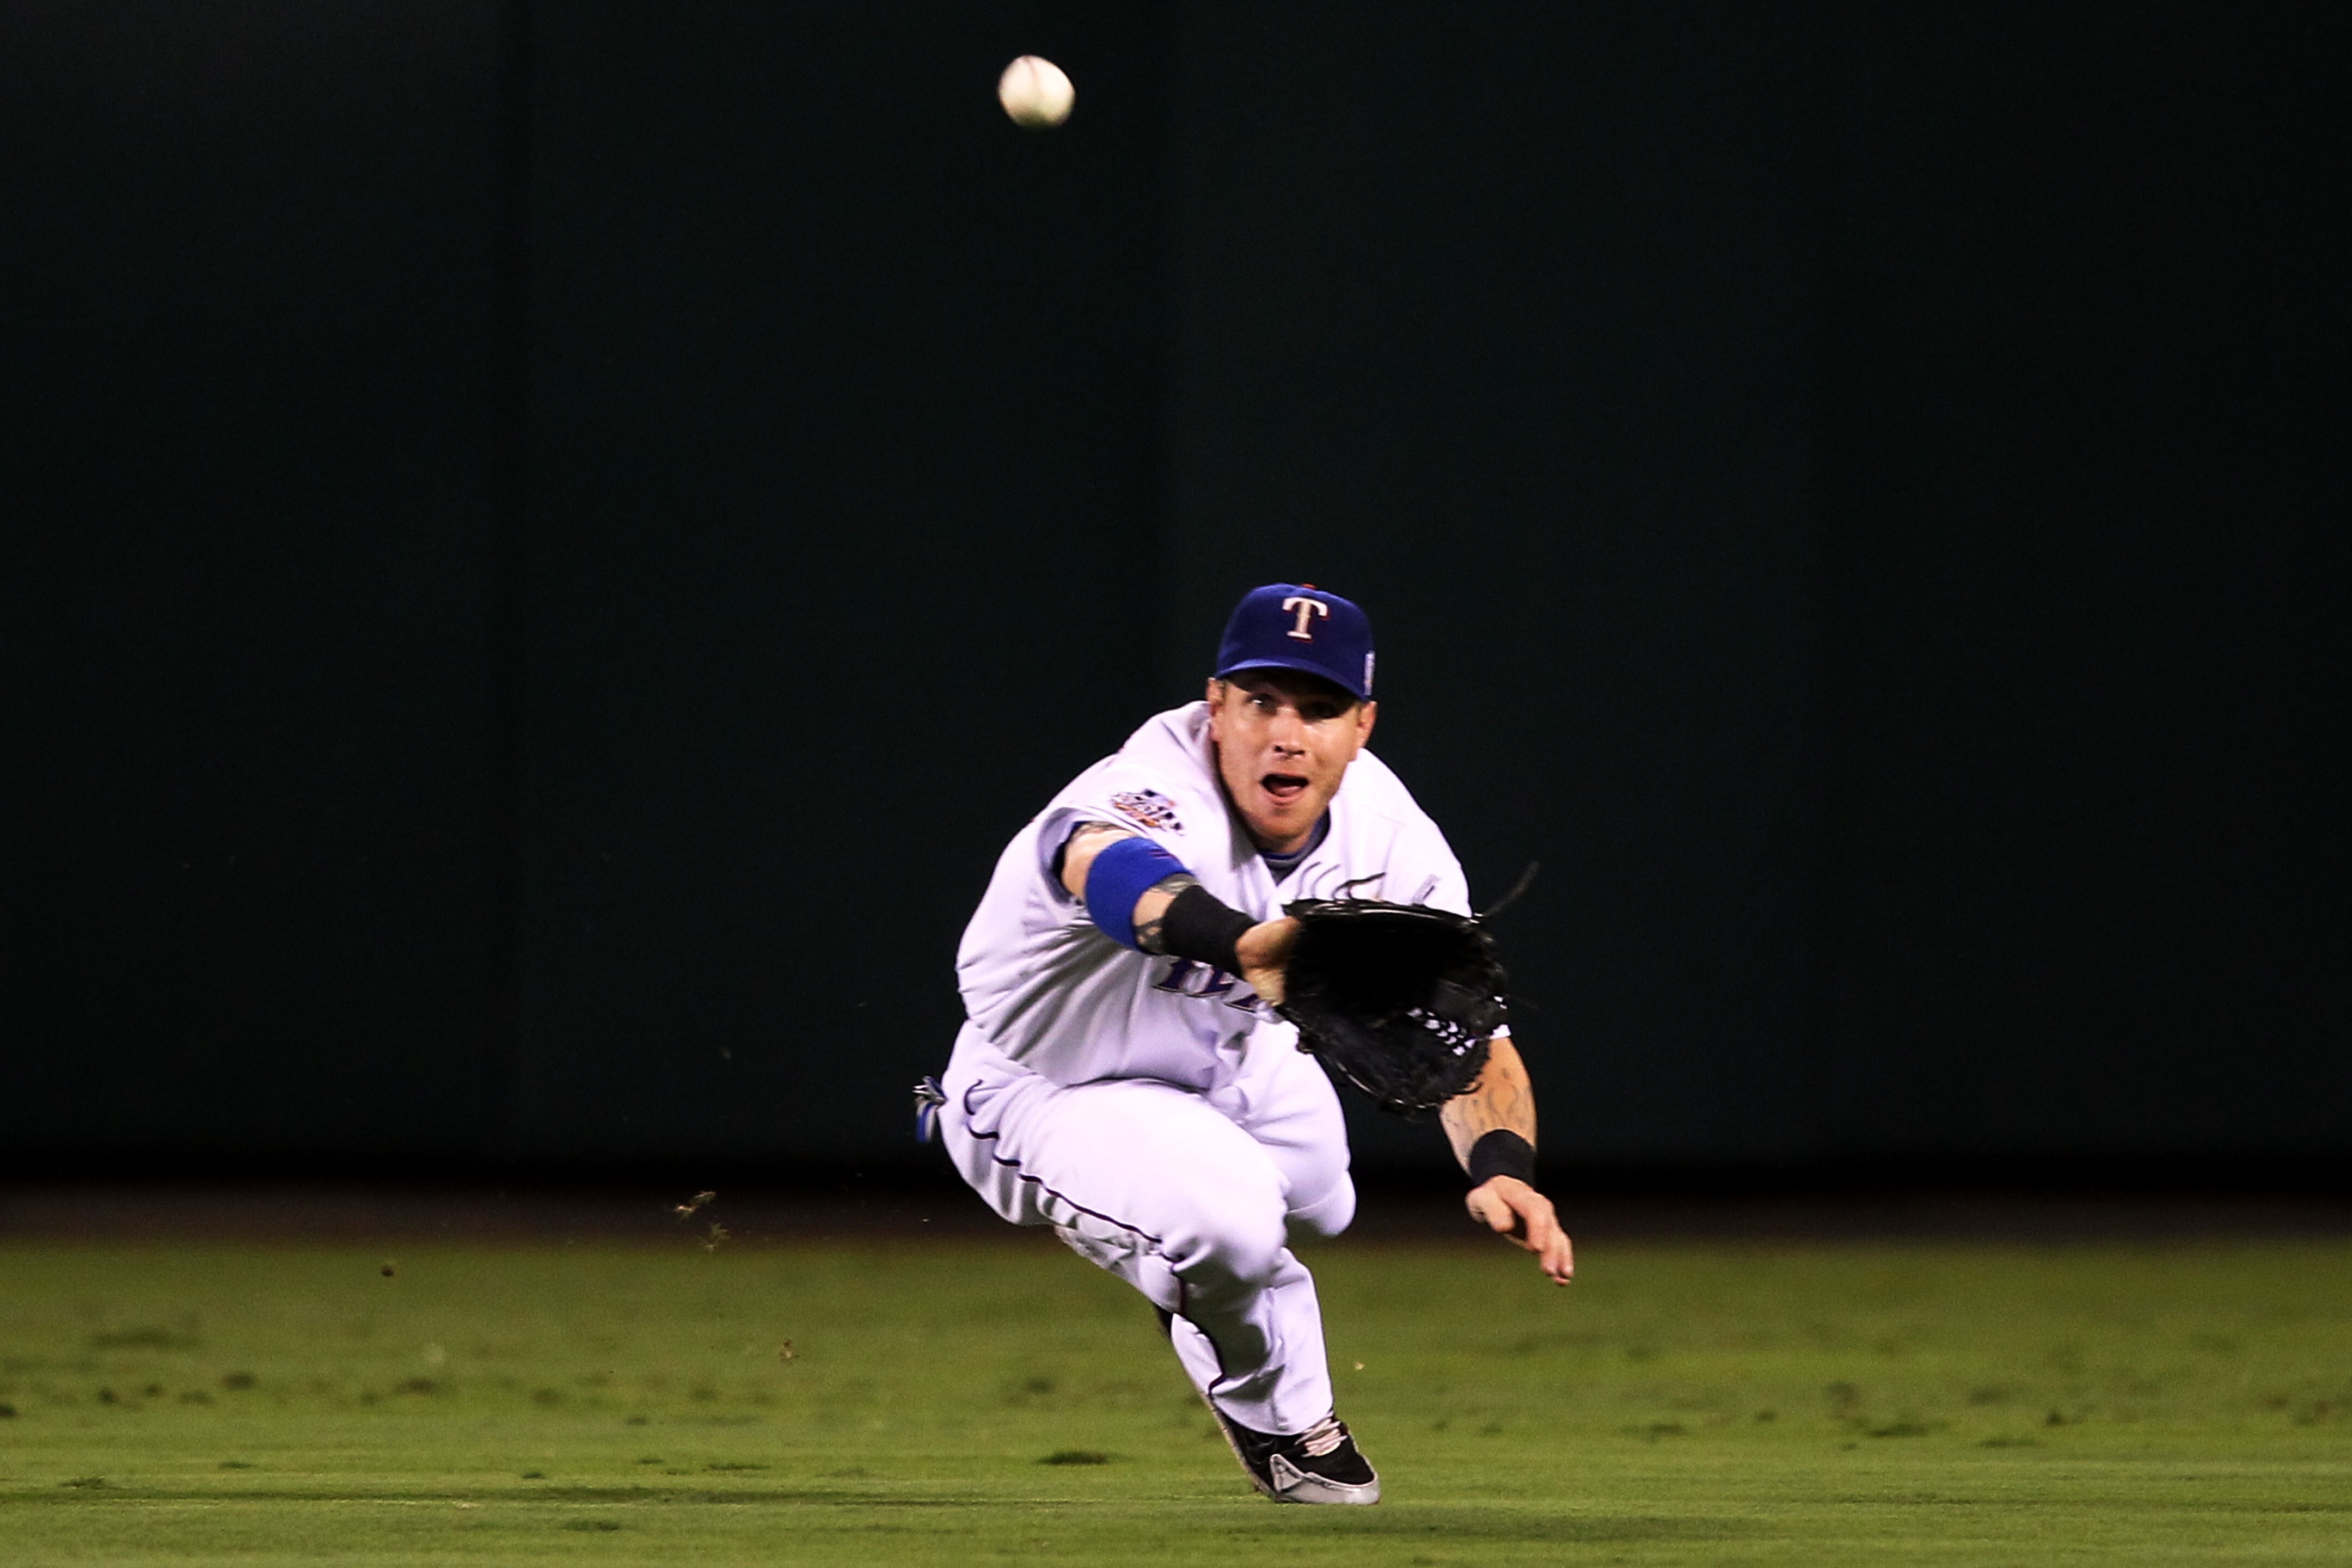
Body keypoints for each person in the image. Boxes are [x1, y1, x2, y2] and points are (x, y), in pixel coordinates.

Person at [934, 582, 1572, 1505]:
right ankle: (1275, 1412)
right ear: (1217, 707)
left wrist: (1505, 1167)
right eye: (1262, 701)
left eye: (1318, 709)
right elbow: (1103, 863)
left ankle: (1190, 1255)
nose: (1287, 733)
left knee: (1325, 1200)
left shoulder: (1390, 837)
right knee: (1227, 1227)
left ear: (1362, 726)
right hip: (1048, 1079)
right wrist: (1240, 943)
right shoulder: (1152, 785)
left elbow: (1470, 1039)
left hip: (1235, 1059)